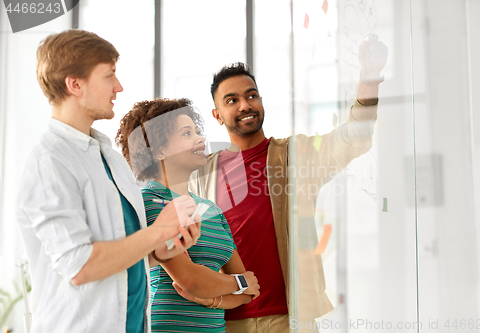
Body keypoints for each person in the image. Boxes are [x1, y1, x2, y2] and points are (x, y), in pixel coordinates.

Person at [188, 35, 388, 332]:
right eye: (232, 100)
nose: (245, 105)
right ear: (218, 115)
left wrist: (369, 78)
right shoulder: (200, 174)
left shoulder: (295, 155)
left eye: (251, 95)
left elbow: (354, 137)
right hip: (225, 321)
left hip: (290, 319)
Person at [16, 30, 201, 333]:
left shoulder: (111, 159)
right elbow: (80, 266)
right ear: (75, 84)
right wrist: (158, 232)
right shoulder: (48, 162)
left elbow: (123, 254)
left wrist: (161, 251)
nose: (119, 86)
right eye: (109, 75)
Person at [116, 98, 261, 333]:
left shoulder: (211, 210)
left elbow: (249, 293)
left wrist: (212, 300)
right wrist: (237, 284)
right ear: (159, 149)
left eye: (197, 131)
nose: (200, 139)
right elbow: (191, 280)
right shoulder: (149, 203)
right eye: (186, 133)